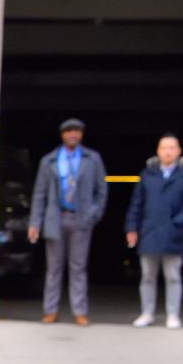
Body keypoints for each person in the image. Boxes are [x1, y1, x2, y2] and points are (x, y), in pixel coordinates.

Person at [28, 117, 108, 326]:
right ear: (62, 135)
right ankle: (50, 310)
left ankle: (80, 310)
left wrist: (93, 215)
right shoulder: (50, 160)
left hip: (81, 219)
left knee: (78, 266)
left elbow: (102, 190)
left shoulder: (92, 159)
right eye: (69, 131)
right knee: (54, 268)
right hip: (56, 218)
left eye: (77, 131)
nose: (73, 134)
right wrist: (35, 223)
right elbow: (40, 194)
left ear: (81, 134)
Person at [125, 134, 183, 329]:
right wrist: (132, 228)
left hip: (174, 233)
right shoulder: (147, 175)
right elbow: (136, 204)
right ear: (158, 152)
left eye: (172, 147)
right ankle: (147, 312)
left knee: (173, 276)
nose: (168, 151)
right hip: (149, 232)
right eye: (164, 148)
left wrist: (177, 223)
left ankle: (173, 314)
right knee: (148, 276)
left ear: (178, 151)